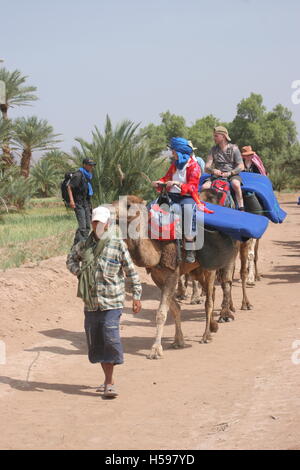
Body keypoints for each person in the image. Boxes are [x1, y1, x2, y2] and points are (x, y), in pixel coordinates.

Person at [66, 206, 142, 398]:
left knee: (110, 337)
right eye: (94, 222)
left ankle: (109, 382)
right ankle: (109, 378)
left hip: (112, 301)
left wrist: (136, 296)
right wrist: (80, 272)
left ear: (108, 224)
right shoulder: (84, 245)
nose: (97, 225)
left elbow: (131, 271)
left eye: (101, 222)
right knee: (97, 341)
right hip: (91, 302)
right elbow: (70, 260)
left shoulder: (117, 245)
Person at [152, 137, 201, 263]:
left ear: (179, 152)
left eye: (173, 151)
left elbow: (192, 187)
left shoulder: (194, 166)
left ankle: (190, 249)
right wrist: (159, 182)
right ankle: (157, 241)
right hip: (171, 196)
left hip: (187, 197)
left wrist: (177, 184)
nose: (172, 154)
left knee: (189, 211)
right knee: (152, 207)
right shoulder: (174, 165)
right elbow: (165, 178)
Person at [203, 126, 245, 210]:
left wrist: (230, 173)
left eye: (216, 136)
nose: (214, 138)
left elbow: (241, 166)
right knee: (205, 187)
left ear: (223, 136)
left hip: (232, 174)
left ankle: (241, 207)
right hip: (217, 175)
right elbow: (206, 167)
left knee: (236, 184)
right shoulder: (213, 150)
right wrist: (213, 170)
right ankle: (206, 208)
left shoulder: (234, 148)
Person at [67, 158, 96, 246]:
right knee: (83, 226)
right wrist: (72, 201)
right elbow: (69, 187)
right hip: (79, 203)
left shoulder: (88, 175)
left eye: (92, 165)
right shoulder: (78, 175)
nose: (91, 167)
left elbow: (86, 190)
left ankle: (78, 244)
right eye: (89, 165)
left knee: (87, 226)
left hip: (86, 203)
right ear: (84, 164)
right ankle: (82, 246)